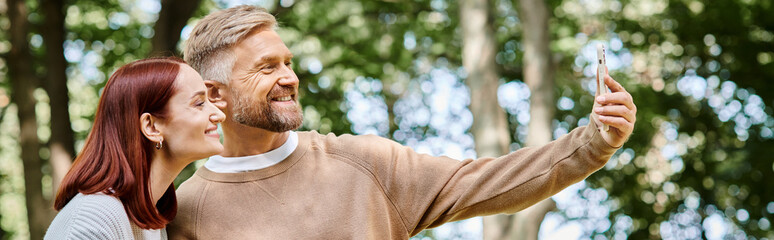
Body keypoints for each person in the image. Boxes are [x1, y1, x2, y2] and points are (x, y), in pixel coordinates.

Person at [168, 5, 636, 239]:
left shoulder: (362, 164)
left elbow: (490, 181)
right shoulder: (181, 212)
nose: (289, 78)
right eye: (266, 68)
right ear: (215, 95)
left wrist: (595, 141)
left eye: (288, 62)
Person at [45, 57, 225, 239]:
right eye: (199, 103)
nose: (219, 115)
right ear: (151, 127)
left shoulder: (152, 221)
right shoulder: (94, 218)